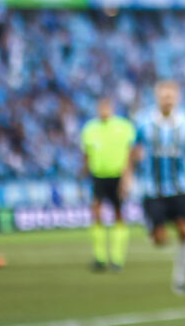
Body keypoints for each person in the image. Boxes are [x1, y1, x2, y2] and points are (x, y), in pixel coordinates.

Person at [125, 80, 185, 294]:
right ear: (157, 98)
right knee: (160, 240)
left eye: (171, 96)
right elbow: (131, 151)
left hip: (182, 187)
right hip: (152, 189)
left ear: (177, 98)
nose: (167, 100)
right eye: (164, 96)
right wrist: (126, 177)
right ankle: (153, 229)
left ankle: (181, 280)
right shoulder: (143, 122)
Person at [80, 97, 135, 272]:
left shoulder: (124, 127)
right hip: (98, 176)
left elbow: (130, 155)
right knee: (96, 212)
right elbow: (86, 155)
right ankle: (100, 257)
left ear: (112, 108)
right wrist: (83, 173)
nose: (104, 110)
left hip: (118, 176)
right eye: (101, 107)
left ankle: (117, 259)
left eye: (107, 107)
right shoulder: (90, 129)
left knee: (118, 214)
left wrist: (127, 178)